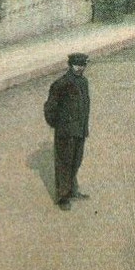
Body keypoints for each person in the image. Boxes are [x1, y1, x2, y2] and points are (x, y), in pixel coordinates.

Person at [43, 52, 91, 210]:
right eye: (77, 65)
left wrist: (84, 127)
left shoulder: (83, 82)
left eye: (83, 65)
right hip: (66, 131)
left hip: (79, 130)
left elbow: (84, 107)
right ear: (70, 65)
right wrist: (59, 126)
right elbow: (50, 108)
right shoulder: (61, 83)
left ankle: (72, 191)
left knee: (75, 161)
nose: (80, 68)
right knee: (64, 163)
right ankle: (62, 197)